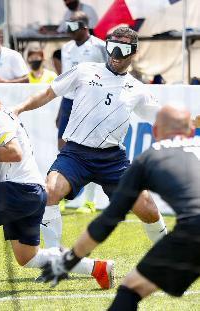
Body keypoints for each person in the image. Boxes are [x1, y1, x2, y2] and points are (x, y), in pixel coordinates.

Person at [0, 71, 114, 298]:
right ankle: (98, 268)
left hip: (19, 190)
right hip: (31, 192)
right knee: (27, 257)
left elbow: (14, 153)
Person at [14, 27, 168, 250]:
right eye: (111, 46)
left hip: (112, 159)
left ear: (133, 52)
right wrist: (18, 109)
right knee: (50, 192)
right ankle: (55, 258)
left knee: (149, 210)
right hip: (75, 153)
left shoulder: (138, 89)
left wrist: (192, 122)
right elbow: (49, 92)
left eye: (122, 48)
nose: (115, 53)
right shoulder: (84, 70)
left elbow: (165, 119)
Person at [37, 105, 200, 311]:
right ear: (193, 131)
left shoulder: (147, 160)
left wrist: (71, 258)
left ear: (156, 132)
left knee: (130, 290)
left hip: (193, 232)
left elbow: (107, 221)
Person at [57, 11, 107, 215]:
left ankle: (89, 202)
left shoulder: (100, 46)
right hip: (69, 102)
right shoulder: (66, 48)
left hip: (92, 103)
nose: (68, 30)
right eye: (67, 26)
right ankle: (60, 195)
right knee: (63, 148)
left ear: (84, 27)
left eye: (72, 26)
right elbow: (66, 79)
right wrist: (61, 109)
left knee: (91, 149)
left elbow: (111, 73)